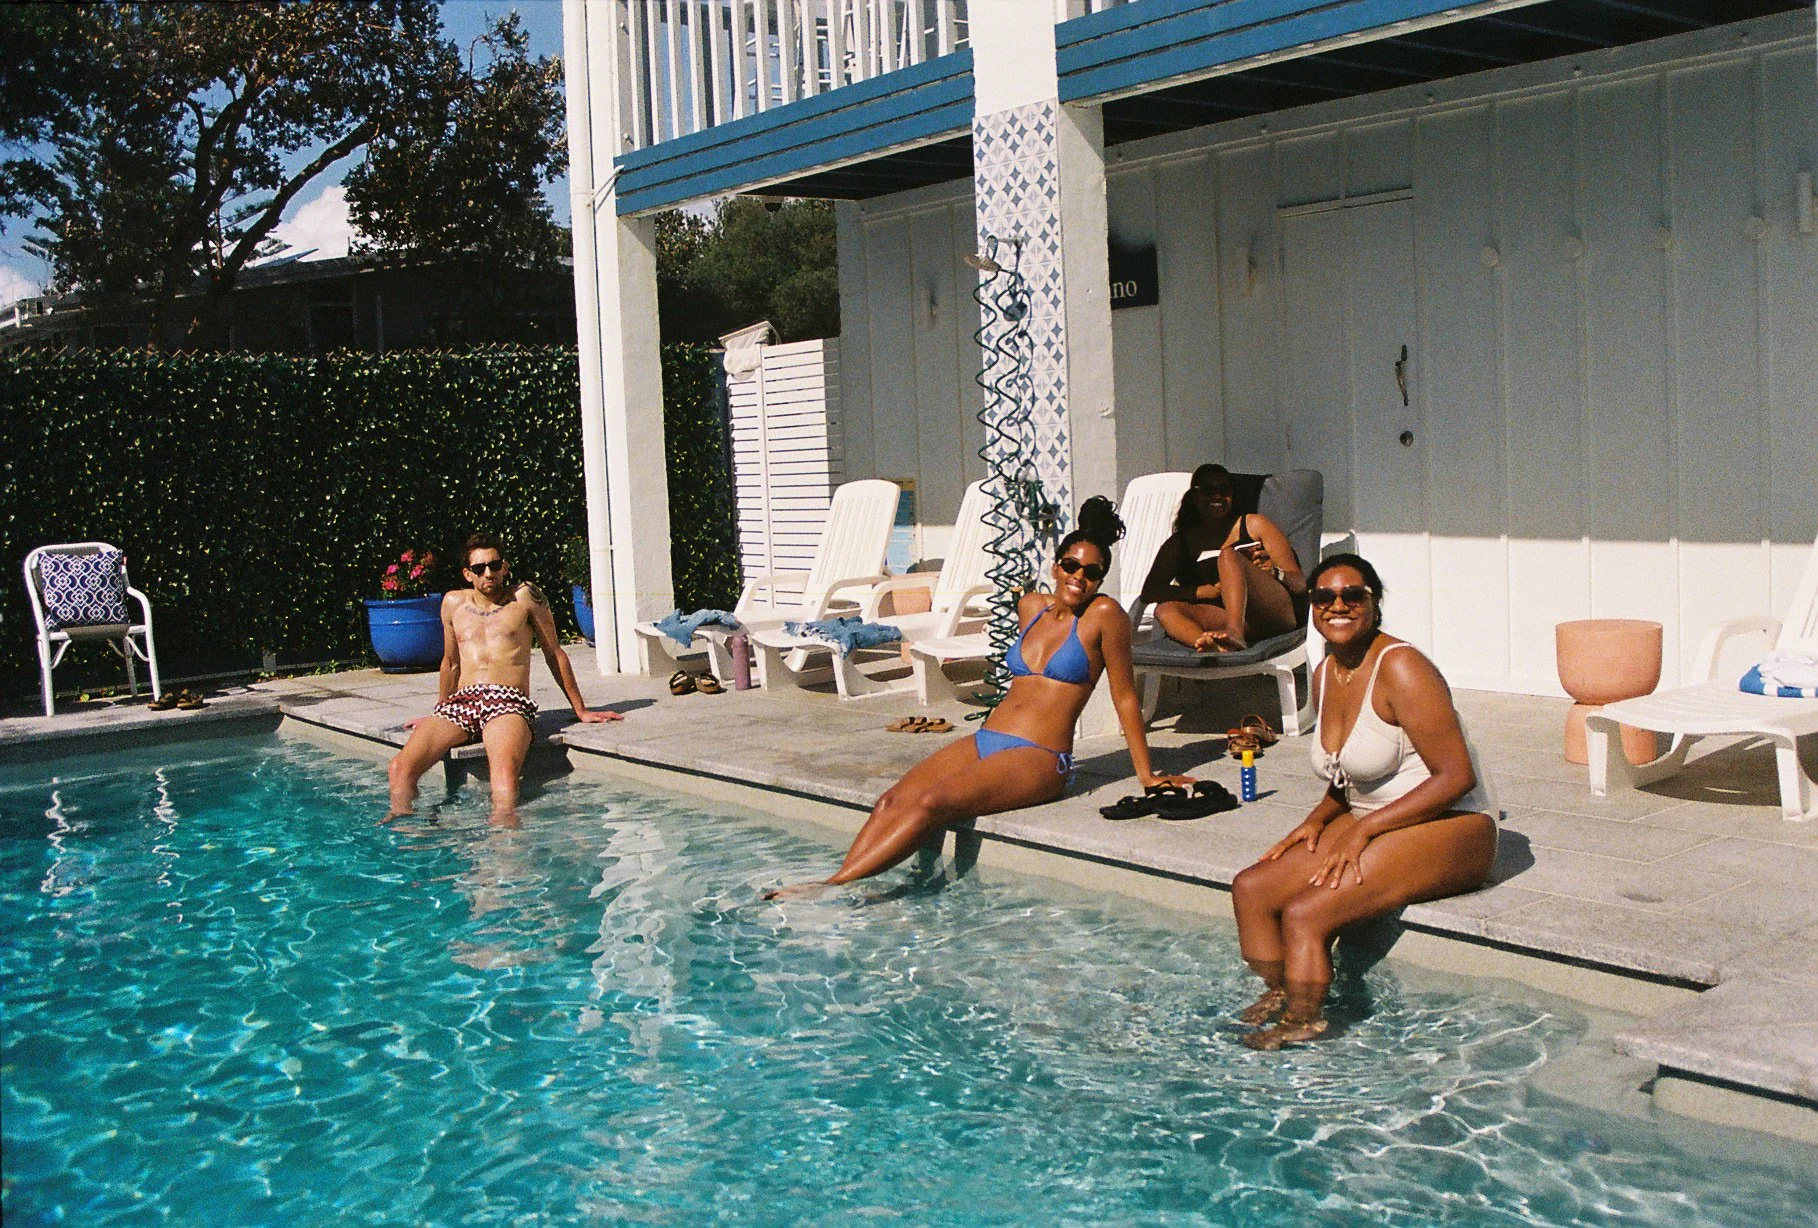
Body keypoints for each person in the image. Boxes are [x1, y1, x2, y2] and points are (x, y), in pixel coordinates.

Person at [767, 497, 1192, 899]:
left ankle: (831, 886)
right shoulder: (1032, 607)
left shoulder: (1105, 616)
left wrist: (1148, 776)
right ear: (1056, 567)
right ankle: (844, 880)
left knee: (933, 803)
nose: (1079, 578)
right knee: (892, 800)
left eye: (1092, 572)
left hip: (1040, 757)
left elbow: (1123, 697)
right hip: (988, 739)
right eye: (1071, 565)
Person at [1229, 553, 1497, 1049]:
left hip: (1456, 825)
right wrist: (1315, 820)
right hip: (1379, 818)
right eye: (1323, 597)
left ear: (1374, 605)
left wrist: (1362, 829)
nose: (1338, 605)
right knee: (1252, 888)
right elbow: (1347, 773)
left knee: (1307, 913)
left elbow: (1456, 777)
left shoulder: (1402, 668)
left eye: (1353, 595)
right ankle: (1283, 990)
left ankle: (1306, 1018)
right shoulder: (1330, 667)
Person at [386, 533, 619, 824]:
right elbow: (451, 663)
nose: (489, 573)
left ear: (505, 567)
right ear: (467, 573)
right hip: (462, 701)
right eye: (480, 568)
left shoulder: (525, 598)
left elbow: (554, 653)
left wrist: (580, 710)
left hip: (507, 701)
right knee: (400, 768)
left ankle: (505, 845)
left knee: (504, 777)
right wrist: (440, 711)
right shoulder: (453, 603)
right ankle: (405, 832)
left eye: (495, 566)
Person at [1139, 463, 1306, 653]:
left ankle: (1234, 633)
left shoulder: (1254, 526)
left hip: (1272, 615)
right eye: (1209, 490)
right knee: (1164, 610)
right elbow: (1150, 592)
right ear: (1194, 496)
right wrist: (1200, 592)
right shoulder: (1180, 543)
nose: (1217, 496)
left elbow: (1300, 583)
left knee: (1229, 556)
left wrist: (1275, 572)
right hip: (1223, 617)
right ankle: (1212, 646)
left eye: (1224, 490)